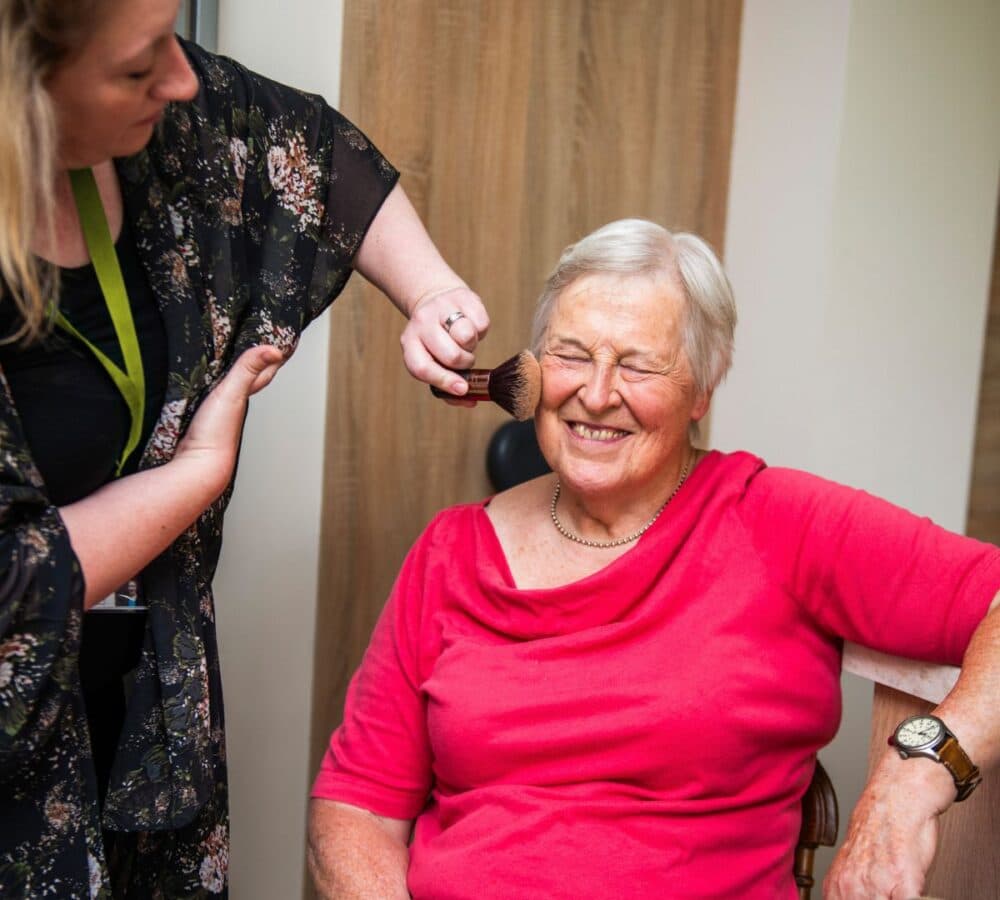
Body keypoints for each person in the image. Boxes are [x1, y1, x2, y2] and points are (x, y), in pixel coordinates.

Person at [308, 218, 1000, 899]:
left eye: (638, 364)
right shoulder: (450, 551)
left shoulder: (779, 522)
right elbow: (357, 807)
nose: (598, 393)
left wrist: (918, 771)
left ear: (702, 390)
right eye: (571, 355)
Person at [0, 0, 490, 896]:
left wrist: (433, 293)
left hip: (141, 710)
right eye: (139, 66)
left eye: (175, 39)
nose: (183, 81)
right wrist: (195, 475)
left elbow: (311, 153)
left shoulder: (169, 120)